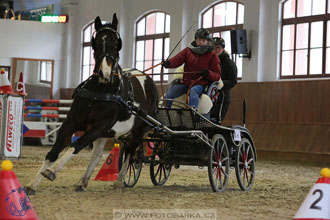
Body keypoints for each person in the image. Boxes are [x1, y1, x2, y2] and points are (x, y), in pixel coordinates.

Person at [162, 28, 221, 109]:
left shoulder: (212, 56)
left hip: (200, 84)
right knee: (172, 90)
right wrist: (168, 63)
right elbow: (177, 59)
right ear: (196, 39)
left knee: (193, 91)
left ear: (207, 41)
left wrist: (208, 73)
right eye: (199, 40)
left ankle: (192, 114)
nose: (200, 42)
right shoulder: (188, 51)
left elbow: (217, 75)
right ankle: (164, 110)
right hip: (186, 83)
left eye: (203, 40)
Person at [211, 37, 237, 123]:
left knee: (216, 121)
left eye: (218, 47)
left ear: (222, 48)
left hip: (223, 97)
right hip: (210, 96)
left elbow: (233, 81)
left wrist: (219, 84)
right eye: (214, 47)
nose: (216, 49)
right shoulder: (209, 61)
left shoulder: (228, 63)